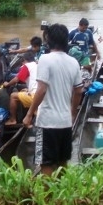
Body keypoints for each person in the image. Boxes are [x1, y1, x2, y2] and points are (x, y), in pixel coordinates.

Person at [23, 23, 84, 176]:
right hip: (66, 121)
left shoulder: (45, 59)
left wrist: (29, 114)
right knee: (63, 162)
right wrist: (73, 113)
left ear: (49, 40)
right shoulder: (74, 62)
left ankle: (47, 192)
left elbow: (41, 90)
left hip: (47, 122)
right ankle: (63, 190)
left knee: (46, 164)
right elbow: (79, 91)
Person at [3, 51, 38, 125]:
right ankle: (31, 119)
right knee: (23, 91)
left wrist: (7, 84)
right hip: (40, 95)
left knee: (13, 96)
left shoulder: (27, 66)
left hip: (35, 96)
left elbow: (16, 79)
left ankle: (12, 120)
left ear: (24, 60)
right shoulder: (37, 65)